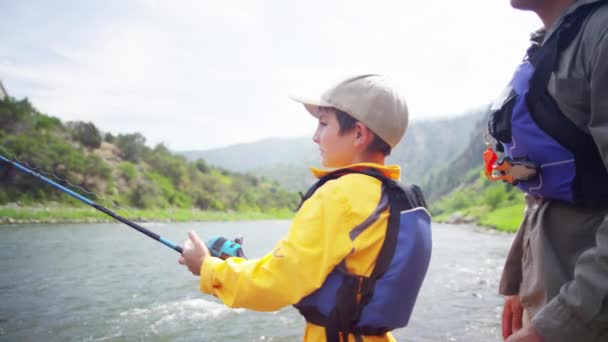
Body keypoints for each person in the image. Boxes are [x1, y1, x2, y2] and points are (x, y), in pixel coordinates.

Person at [178, 74, 432, 341]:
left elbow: (276, 282)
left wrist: (206, 267)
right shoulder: (392, 196)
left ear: (358, 133)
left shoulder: (338, 196)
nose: (315, 136)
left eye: (323, 124)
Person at [485, 0, 608, 341]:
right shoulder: (551, 42)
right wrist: (519, 284)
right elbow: (548, 185)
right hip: (546, 300)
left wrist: (556, 324)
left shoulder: (601, 36)